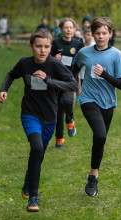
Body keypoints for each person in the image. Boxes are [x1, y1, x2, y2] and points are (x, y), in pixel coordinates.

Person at [0, 29, 78, 212]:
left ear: (51, 47)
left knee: (38, 156)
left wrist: (49, 80)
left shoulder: (55, 65)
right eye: (38, 46)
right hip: (30, 113)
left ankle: (28, 181)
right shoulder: (24, 63)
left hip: (49, 117)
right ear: (31, 46)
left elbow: (73, 85)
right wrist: (4, 89)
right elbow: (11, 74)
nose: (42, 50)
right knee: (37, 148)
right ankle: (33, 197)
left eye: (46, 47)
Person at [72, 17, 121, 197]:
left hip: (108, 103)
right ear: (92, 34)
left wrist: (104, 74)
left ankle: (93, 174)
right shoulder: (84, 52)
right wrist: (72, 85)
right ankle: (93, 176)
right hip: (88, 99)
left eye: (104, 33)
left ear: (110, 34)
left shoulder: (117, 55)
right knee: (100, 134)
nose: (100, 36)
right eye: (97, 33)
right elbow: (74, 69)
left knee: (101, 139)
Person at [51, 18, 83, 148]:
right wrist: (54, 58)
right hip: (57, 79)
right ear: (61, 29)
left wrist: (74, 76)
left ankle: (70, 120)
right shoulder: (55, 43)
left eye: (71, 27)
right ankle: (59, 138)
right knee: (58, 111)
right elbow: (47, 60)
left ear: (74, 29)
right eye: (66, 27)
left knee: (68, 101)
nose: (68, 30)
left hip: (71, 78)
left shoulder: (78, 44)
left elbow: (81, 61)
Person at [77, 26, 95, 104]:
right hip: (83, 73)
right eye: (88, 35)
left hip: (94, 72)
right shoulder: (81, 47)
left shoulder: (95, 46)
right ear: (83, 36)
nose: (89, 37)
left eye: (91, 35)